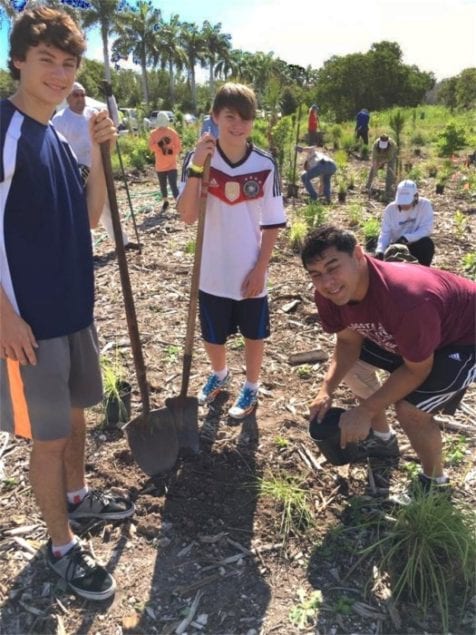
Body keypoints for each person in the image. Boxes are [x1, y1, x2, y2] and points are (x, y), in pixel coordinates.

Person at [0, 7, 134, 601]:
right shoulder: (4, 129)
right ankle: (61, 547)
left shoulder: (53, 133)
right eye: (47, 60)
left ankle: (77, 499)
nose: (58, 73)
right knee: (48, 439)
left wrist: (100, 158)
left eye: (69, 62)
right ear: (19, 61)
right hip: (27, 323)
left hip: (73, 311)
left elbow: (89, 220)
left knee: (78, 417)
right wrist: (3, 316)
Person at [301, 224, 475, 495]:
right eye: (316, 274)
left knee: (411, 410)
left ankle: (434, 485)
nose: (327, 283)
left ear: (359, 255)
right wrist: (327, 389)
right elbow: (348, 343)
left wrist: (366, 410)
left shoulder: (405, 300)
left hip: (463, 339)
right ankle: (383, 438)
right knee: (354, 367)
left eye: (333, 267)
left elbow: (418, 370)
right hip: (418, 335)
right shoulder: (331, 294)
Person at [177, 83, 286, 419]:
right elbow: (187, 215)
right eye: (230, 117)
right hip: (211, 269)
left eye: (245, 118)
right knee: (213, 334)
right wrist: (197, 167)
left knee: (254, 335)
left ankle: (251, 387)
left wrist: (260, 269)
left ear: (253, 122)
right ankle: (220, 375)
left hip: (250, 268)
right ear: (215, 117)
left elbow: (272, 222)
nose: (238, 125)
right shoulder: (198, 160)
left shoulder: (265, 164)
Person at [52, 82, 137, 251]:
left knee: (108, 207)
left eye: (83, 94)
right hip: (76, 171)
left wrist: (110, 96)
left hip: (97, 168)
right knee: (82, 211)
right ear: (68, 98)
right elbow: (57, 148)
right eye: (76, 95)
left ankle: (122, 242)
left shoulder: (92, 114)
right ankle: (87, 250)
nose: (80, 98)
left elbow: (114, 122)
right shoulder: (60, 119)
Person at [375, 179, 435, 266]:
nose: (404, 205)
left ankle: (422, 271)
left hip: (416, 245)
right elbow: (385, 233)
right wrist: (380, 250)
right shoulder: (390, 209)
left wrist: (406, 238)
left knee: (427, 244)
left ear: (416, 197)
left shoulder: (425, 205)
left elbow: (426, 229)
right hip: (396, 247)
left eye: (407, 202)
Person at [148, 111, 182, 213]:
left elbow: (178, 147)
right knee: (163, 185)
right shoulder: (153, 134)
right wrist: (160, 146)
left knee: (173, 185)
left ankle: (178, 203)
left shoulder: (173, 133)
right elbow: (151, 147)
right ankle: (165, 202)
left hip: (172, 165)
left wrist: (170, 151)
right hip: (160, 166)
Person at [366, 134, 398, 201]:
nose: (382, 148)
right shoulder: (375, 145)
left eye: (384, 146)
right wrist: (375, 169)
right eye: (381, 146)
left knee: (390, 170)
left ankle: (389, 189)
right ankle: (368, 186)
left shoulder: (392, 145)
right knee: (373, 169)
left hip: (390, 156)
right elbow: (374, 159)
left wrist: (382, 162)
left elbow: (389, 158)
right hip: (379, 155)